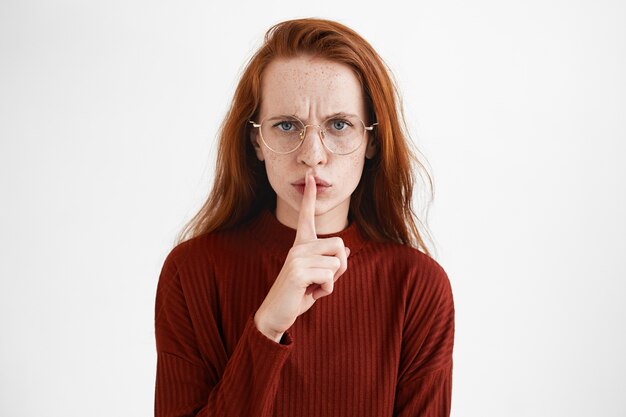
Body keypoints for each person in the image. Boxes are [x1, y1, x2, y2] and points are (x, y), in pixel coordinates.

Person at [154, 17, 455, 417]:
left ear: (371, 141)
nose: (312, 154)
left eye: (339, 125)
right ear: (256, 142)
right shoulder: (191, 272)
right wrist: (267, 329)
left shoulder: (418, 287)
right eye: (286, 125)